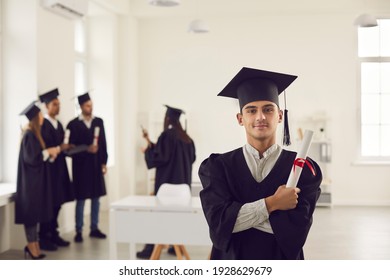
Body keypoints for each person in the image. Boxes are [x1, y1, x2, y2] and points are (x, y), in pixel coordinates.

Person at [198, 67, 322, 260]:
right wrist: (273, 204)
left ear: (280, 115)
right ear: (240, 119)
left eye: (268, 109)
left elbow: (295, 233)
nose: (260, 117)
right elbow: (218, 224)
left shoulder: (304, 169)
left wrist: (235, 218)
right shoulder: (217, 167)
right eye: (251, 110)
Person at [136, 105, 196, 259]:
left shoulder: (167, 135)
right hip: (182, 186)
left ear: (168, 119)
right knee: (176, 216)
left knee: (158, 215)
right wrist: (152, 145)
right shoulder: (187, 139)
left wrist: (148, 151)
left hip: (167, 185)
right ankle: (174, 245)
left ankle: (151, 249)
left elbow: (159, 157)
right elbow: (190, 158)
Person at [15, 101, 61, 259]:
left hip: (35, 183)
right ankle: (31, 246)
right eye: (40, 114)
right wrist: (48, 151)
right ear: (35, 118)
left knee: (34, 217)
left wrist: (49, 153)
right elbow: (31, 159)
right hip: (29, 184)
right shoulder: (28, 135)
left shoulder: (35, 135)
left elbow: (38, 157)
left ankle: (35, 246)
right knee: (31, 217)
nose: (42, 117)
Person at [66, 92, 108, 243]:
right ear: (81, 107)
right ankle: (78, 230)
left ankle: (94, 228)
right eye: (87, 105)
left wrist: (104, 162)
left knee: (96, 198)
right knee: (81, 199)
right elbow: (69, 149)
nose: (90, 107)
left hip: (96, 165)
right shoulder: (73, 125)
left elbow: (103, 143)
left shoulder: (99, 122)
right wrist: (86, 149)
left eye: (91, 105)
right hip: (81, 168)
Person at [37, 88, 75, 251]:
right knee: (48, 204)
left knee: (58, 202)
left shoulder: (59, 124)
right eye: (55, 104)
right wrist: (60, 147)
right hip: (47, 171)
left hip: (59, 169)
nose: (58, 107)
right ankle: (44, 237)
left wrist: (68, 148)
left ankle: (54, 233)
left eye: (59, 104)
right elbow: (45, 147)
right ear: (46, 106)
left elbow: (60, 146)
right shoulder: (43, 125)